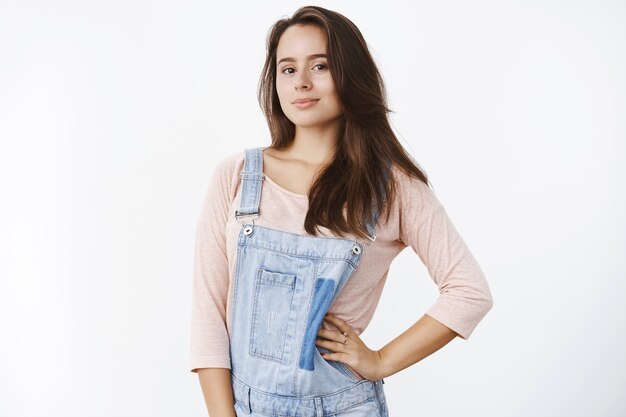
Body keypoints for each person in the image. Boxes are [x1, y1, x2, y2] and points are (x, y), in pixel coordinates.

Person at [189, 5, 494, 417]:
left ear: (350, 74)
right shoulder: (238, 176)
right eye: (288, 69)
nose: (302, 83)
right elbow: (208, 313)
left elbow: (469, 292)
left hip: (344, 407)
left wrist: (381, 361)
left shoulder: (391, 186)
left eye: (320, 66)